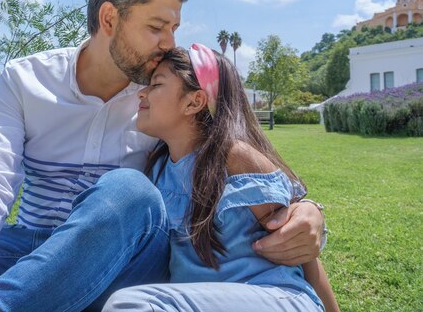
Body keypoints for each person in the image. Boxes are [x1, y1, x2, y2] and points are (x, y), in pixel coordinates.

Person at [0, 0, 326, 312]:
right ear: (110, 19)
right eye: (157, 27)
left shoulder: (158, 101)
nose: (170, 43)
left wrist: (309, 212)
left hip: (125, 261)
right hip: (36, 249)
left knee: (129, 190)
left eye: (174, 28)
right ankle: (46, 299)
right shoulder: (26, 80)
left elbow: (235, 154)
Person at [103, 44, 339, 312]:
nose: (142, 93)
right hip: (199, 302)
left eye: (156, 85)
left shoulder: (235, 158)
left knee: (131, 304)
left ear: (194, 101)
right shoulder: (157, 168)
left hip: (274, 296)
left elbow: (301, 247)